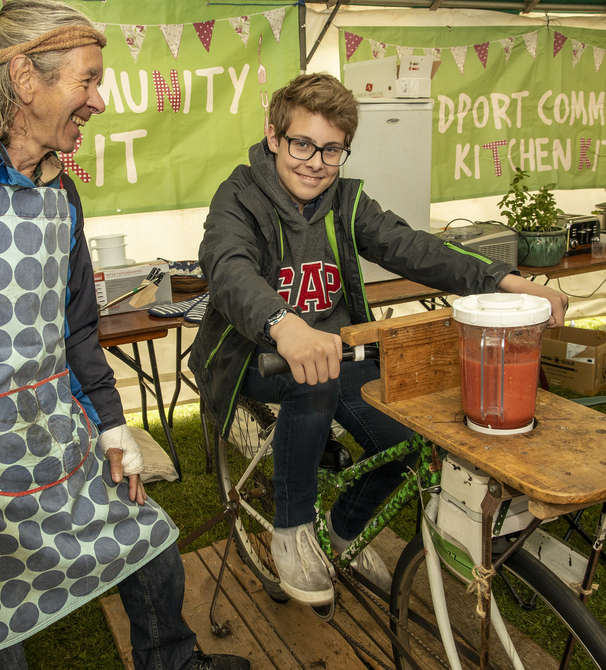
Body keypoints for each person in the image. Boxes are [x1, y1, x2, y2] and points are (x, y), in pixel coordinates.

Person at [0, 2, 249, 669]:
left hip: (53, 448)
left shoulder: (59, 193)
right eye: (88, 79)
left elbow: (76, 330)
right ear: (25, 79)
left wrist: (113, 424)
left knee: (150, 553)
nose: (99, 99)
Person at [189, 73, 568, 607]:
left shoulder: (345, 201)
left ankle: (343, 531)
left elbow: (412, 247)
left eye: (332, 150)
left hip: (335, 352)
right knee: (310, 381)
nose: (315, 162)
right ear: (273, 136)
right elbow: (227, 267)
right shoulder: (239, 196)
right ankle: (292, 530)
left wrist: (503, 279)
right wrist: (284, 323)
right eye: (302, 144)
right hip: (254, 353)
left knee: (410, 437)